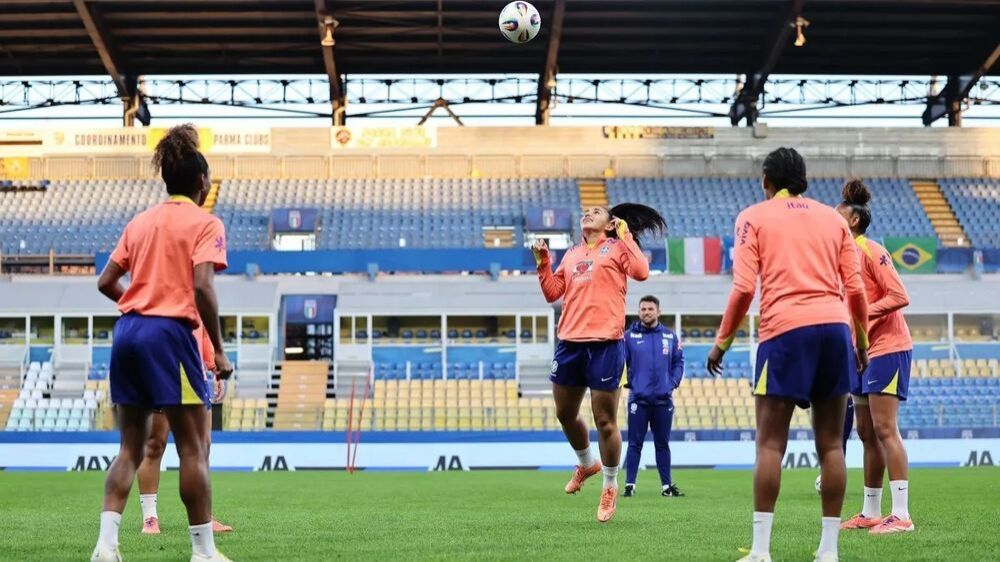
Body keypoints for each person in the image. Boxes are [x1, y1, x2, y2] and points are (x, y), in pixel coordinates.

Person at [706, 147, 869, 562]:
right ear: (803, 180)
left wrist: (722, 343)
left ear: (766, 181)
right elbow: (855, 289)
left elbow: (744, 288)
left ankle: (761, 551)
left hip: (784, 332)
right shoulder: (833, 219)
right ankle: (828, 550)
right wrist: (861, 342)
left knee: (770, 445)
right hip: (834, 330)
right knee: (831, 445)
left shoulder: (753, 216)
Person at [92, 124, 233, 562]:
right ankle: (204, 552)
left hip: (128, 331)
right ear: (201, 181)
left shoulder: (140, 222)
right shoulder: (206, 223)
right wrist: (219, 350)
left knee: (129, 449)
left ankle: (105, 546)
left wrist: (138, 302)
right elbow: (203, 287)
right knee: (193, 448)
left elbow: (106, 281)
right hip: (170, 335)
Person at [533, 203, 665, 523]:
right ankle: (586, 463)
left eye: (597, 211)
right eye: (587, 211)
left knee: (605, 421)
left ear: (609, 224)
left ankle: (609, 485)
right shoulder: (572, 254)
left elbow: (641, 272)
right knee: (565, 414)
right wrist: (544, 263)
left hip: (606, 343)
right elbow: (553, 293)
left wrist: (626, 235)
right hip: (570, 343)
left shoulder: (618, 248)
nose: (588, 213)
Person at [835, 179, 915, 535]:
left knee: (884, 428)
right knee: (866, 432)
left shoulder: (870, 249)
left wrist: (862, 315)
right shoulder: (839, 258)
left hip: (887, 348)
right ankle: (870, 511)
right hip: (860, 352)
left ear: (853, 220)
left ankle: (901, 515)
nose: (832, 218)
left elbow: (898, 295)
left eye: (838, 213)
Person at [138, 324, 233, 536]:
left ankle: (204, 516)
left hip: (193, 373)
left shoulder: (199, 303)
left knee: (200, 449)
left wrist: (213, 367)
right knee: (154, 445)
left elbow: (204, 331)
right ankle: (150, 518)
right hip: (159, 370)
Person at [622, 295, 685, 498]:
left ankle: (666, 487)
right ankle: (629, 486)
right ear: (638, 312)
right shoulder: (628, 337)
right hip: (638, 400)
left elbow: (678, 362)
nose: (647, 312)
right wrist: (631, 383)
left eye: (650, 309)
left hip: (663, 400)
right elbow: (622, 363)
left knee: (662, 444)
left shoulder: (670, 337)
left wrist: (672, 383)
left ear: (659, 312)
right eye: (643, 309)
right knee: (634, 444)